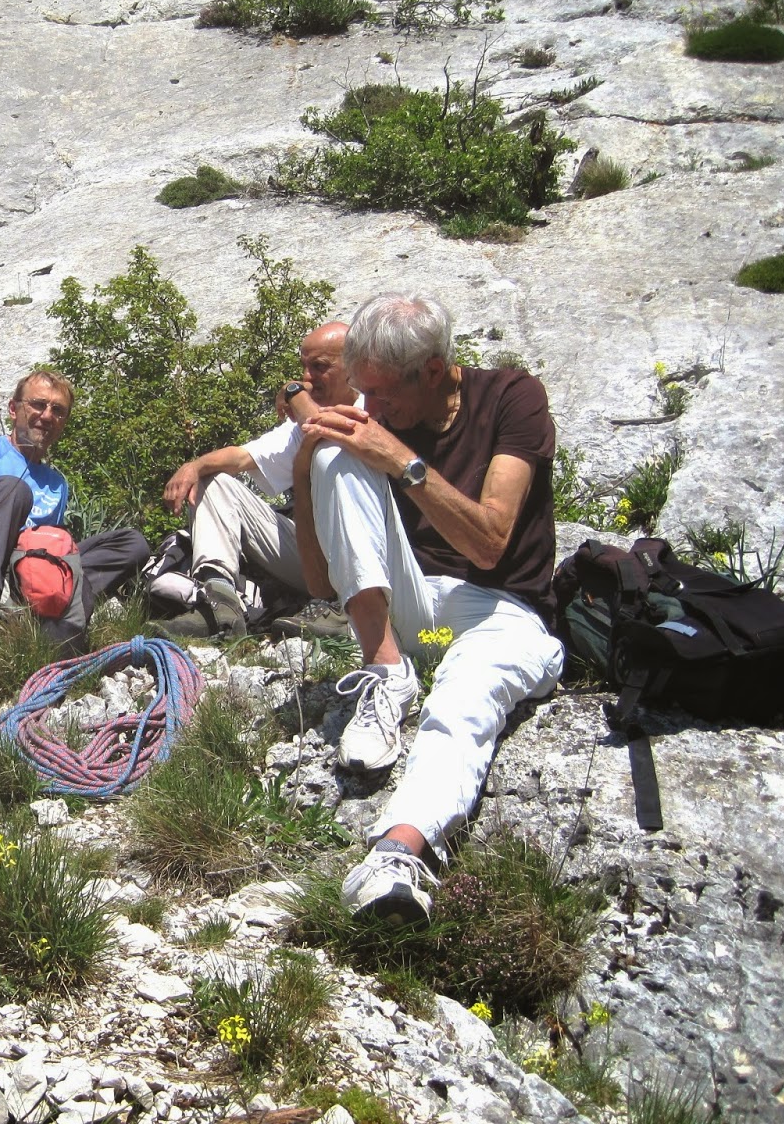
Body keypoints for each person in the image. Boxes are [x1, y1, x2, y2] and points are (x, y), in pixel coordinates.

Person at [291, 293, 564, 924]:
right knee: (337, 449)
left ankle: (398, 853)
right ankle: (387, 671)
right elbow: (315, 580)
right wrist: (310, 468)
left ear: (434, 371)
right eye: (366, 391)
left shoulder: (512, 399)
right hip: (422, 605)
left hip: (506, 608)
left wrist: (404, 463)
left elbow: (490, 543)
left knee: (466, 695)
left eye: (384, 394)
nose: (374, 408)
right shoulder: (376, 407)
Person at [0, 367, 150, 648]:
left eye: (58, 410)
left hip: (18, 565)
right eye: (38, 404)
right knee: (13, 489)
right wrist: (7, 529)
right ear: (14, 409)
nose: (47, 415)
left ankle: (52, 614)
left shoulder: (57, 484)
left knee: (131, 544)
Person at [159, 321, 356, 638]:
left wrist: (293, 394)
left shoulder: (375, 409)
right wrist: (194, 466)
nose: (306, 379)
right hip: (316, 557)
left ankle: (349, 614)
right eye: (303, 367)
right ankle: (219, 603)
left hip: (365, 561)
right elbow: (241, 457)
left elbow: (320, 432)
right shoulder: (301, 423)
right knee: (214, 480)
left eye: (319, 367)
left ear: (355, 366)